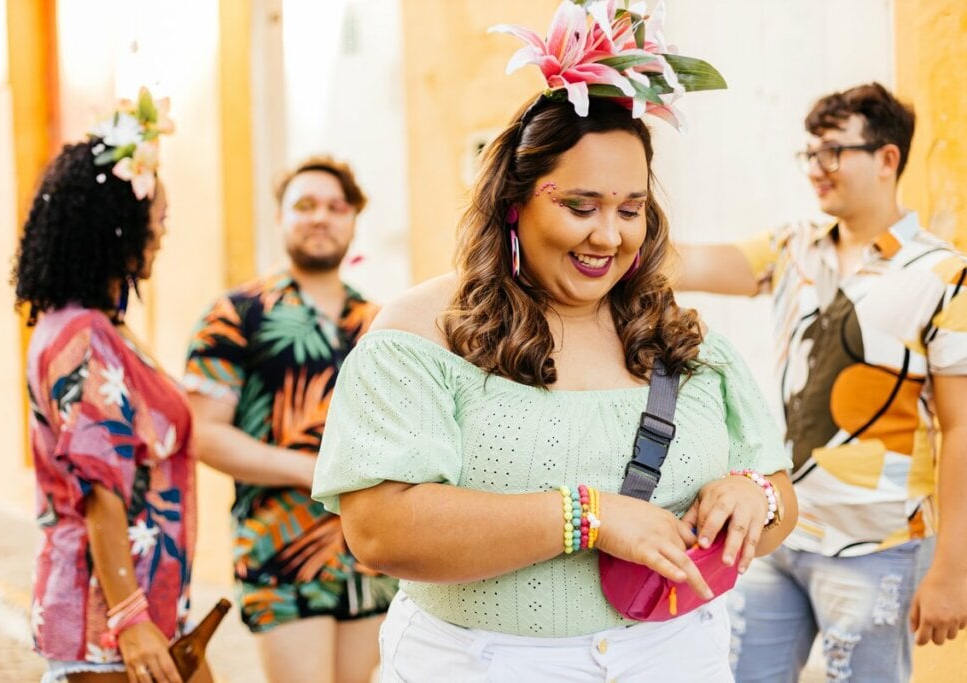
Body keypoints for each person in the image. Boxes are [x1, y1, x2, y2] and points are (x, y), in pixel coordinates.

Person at [311, 3, 796, 681]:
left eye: (630, 209)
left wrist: (756, 496)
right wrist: (586, 516)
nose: (609, 236)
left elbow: (776, 485)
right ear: (515, 200)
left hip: (678, 656)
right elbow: (380, 530)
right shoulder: (419, 333)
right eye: (580, 206)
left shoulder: (678, 334)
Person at [674, 82, 967, 682]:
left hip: (879, 546)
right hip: (776, 528)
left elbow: (962, 427)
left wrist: (953, 570)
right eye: (808, 154)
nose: (816, 170)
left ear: (887, 159)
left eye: (832, 152)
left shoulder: (945, 275)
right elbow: (686, 262)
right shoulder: (793, 246)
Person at [14, 89, 209, 683]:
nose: (164, 231)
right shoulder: (82, 335)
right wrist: (131, 620)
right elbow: (102, 487)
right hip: (110, 629)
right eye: (160, 217)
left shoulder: (94, 329)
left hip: (140, 614)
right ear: (118, 225)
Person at [184, 155, 397, 683]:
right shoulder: (237, 314)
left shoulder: (382, 322)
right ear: (279, 218)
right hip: (279, 548)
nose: (320, 217)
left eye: (335, 207)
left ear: (353, 220)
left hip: (368, 547)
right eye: (304, 206)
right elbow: (203, 433)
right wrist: (311, 471)